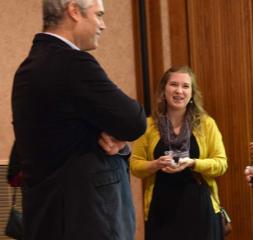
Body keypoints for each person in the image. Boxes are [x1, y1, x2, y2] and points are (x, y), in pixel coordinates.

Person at [11, 0, 146, 240]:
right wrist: (120, 134)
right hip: (84, 218)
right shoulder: (72, 63)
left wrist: (117, 135)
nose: (103, 25)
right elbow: (134, 120)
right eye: (99, 15)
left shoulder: (27, 68)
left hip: (46, 218)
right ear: (74, 11)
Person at [130, 66, 228, 240]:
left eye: (185, 86)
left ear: (192, 93)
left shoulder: (206, 124)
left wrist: (193, 163)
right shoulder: (148, 125)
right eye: (173, 84)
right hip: (161, 210)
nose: (179, 91)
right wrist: (156, 164)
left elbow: (221, 164)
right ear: (163, 90)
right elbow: (135, 165)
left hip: (200, 208)